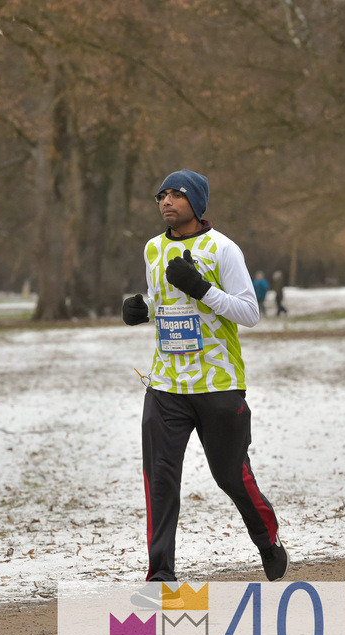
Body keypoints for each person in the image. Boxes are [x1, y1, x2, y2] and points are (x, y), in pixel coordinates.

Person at [121, 169, 288, 583]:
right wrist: (143, 310)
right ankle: (161, 572)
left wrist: (201, 288)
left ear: (196, 203)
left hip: (218, 385)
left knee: (230, 476)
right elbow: (165, 303)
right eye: (161, 195)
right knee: (160, 480)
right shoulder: (153, 249)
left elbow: (249, 313)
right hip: (166, 385)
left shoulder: (223, 249)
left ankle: (267, 539)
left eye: (176, 194)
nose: (166, 201)